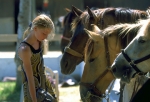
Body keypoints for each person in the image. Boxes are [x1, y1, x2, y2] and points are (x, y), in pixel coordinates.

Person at [18, 14, 57, 102]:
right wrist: (34, 100)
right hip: (32, 90)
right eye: (44, 33)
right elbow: (30, 78)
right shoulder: (25, 49)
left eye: (48, 34)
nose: (46, 37)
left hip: (45, 84)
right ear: (35, 28)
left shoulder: (40, 42)